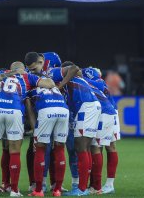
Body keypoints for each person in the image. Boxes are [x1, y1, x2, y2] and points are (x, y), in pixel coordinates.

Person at [0, 61, 56, 197]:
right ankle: (15, 190)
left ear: (10, 68)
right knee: (15, 152)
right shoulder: (28, 76)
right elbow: (50, 84)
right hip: (15, 110)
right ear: (23, 69)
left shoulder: (2, 73)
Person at [48, 62, 101, 196]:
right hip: (89, 107)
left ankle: (81, 189)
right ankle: (83, 187)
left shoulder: (55, 73)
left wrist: (61, 84)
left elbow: (74, 67)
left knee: (81, 147)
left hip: (86, 107)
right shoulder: (76, 82)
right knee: (85, 148)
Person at [24, 51, 62, 192]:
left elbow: (69, 69)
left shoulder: (52, 65)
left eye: (35, 67)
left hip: (49, 106)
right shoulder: (29, 74)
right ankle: (35, 182)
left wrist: (59, 86)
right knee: (36, 146)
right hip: (38, 109)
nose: (34, 70)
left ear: (42, 61)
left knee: (52, 147)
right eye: (31, 69)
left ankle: (51, 184)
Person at [25, 86, 70, 197]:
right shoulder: (53, 85)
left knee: (40, 148)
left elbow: (28, 106)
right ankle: (57, 190)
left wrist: (34, 126)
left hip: (47, 110)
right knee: (60, 149)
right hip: (64, 110)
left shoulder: (30, 87)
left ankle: (39, 190)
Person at [82, 67, 119, 194]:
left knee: (96, 147)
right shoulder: (101, 82)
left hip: (103, 112)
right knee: (111, 147)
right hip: (113, 111)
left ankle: (96, 186)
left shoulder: (87, 81)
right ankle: (108, 184)